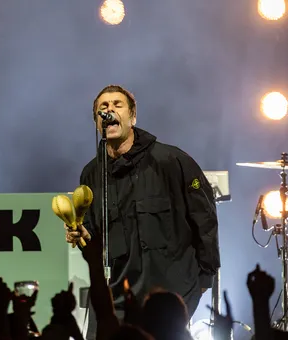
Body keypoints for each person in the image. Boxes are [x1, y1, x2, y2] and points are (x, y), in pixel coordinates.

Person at [65, 85, 220, 338]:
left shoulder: (172, 161)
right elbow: (94, 233)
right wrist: (81, 235)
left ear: (133, 117)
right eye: (102, 108)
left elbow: (204, 219)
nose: (109, 110)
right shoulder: (91, 173)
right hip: (118, 296)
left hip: (168, 296)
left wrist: (205, 277)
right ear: (97, 123)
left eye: (117, 105)